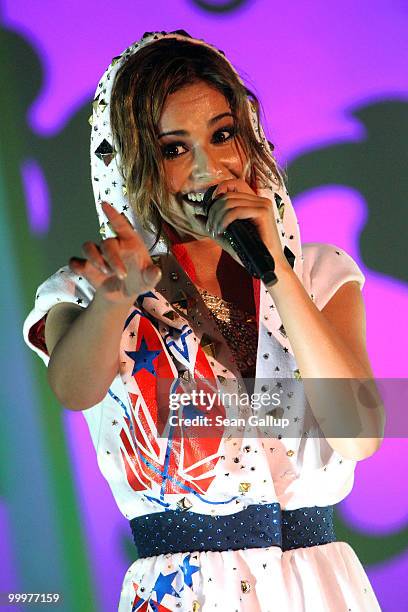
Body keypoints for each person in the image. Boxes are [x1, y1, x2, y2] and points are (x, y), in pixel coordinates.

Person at [23, 30, 385, 611]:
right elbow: (73, 388)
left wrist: (277, 273)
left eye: (222, 135)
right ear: (135, 160)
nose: (207, 168)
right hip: (183, 592)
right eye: (173, 149)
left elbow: (360, 434)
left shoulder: (320, 273)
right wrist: (117, 300)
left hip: (315, 588)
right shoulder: (93, 289)